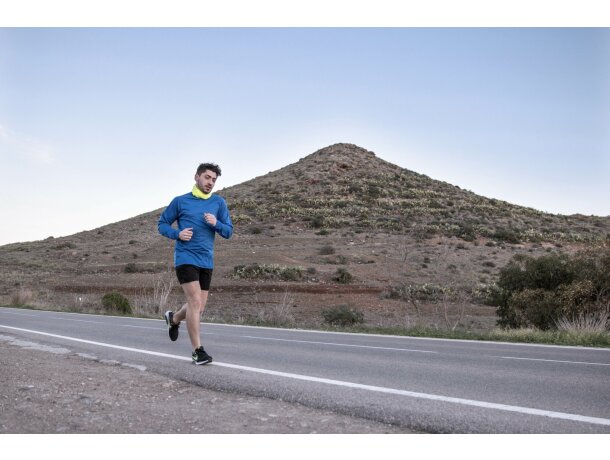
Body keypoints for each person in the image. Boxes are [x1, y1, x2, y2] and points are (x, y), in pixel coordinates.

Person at [158, 163, 233, 365]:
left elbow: (228, 232)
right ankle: (197, 351)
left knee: (198, 308)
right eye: (207, 177)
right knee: (194, 302)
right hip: (185, 258)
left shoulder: (219, 203)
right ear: (197, 177)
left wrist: (215, 223)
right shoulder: (180, 202)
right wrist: (177, 234)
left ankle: (173, 319)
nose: (210, 182)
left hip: (206, 261)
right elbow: (162, 224)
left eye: (214, 180)